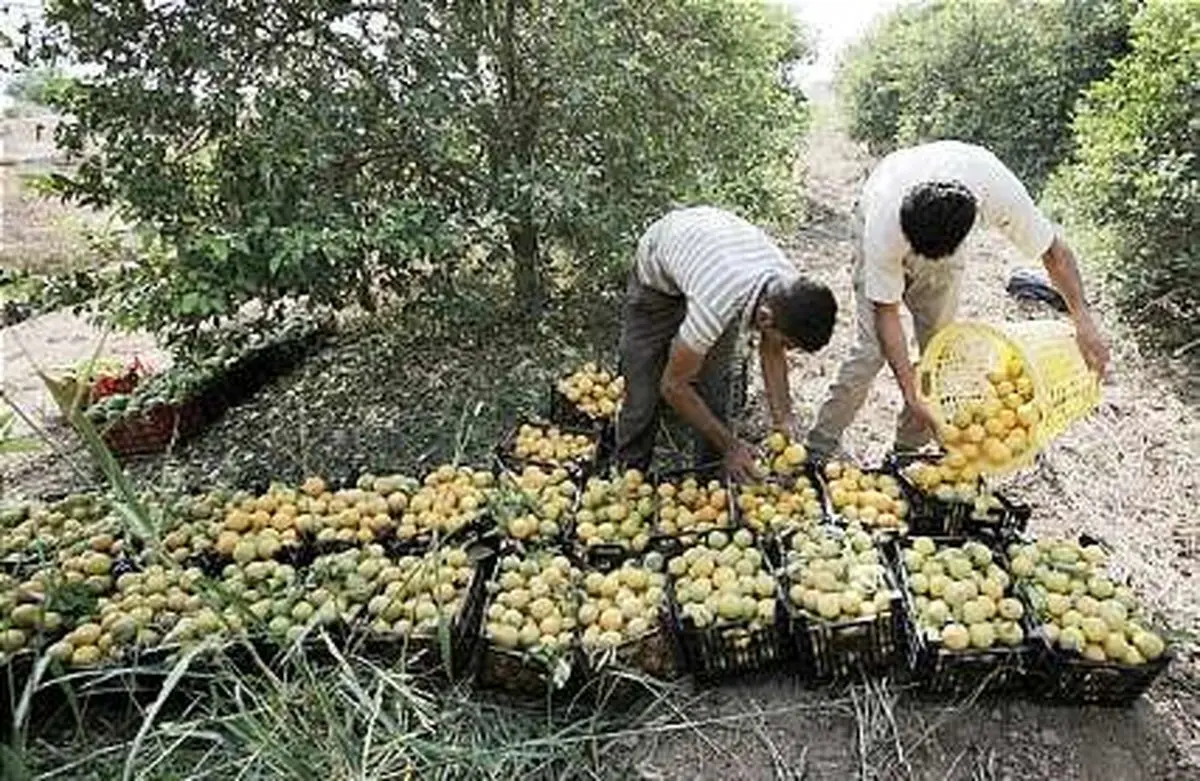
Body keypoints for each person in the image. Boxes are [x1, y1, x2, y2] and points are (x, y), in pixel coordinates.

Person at [806, 140, 1110, 459]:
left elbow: (1055, 253)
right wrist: (909, 391)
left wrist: (1083, 320)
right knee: (871, 351)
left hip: (942, 222)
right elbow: (887, 314)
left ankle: (908, 452)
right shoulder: (884, 222)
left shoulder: (997, 190)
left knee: (936, 354)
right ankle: (819, 447)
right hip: (880, 218)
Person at [616, 205, 837, 482]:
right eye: (789, 343)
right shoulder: (718, 303)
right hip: (659, 279)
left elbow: (772, 347)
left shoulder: (786, 285)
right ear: (766, 317)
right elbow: (673, 386)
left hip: (714, 263)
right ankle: (628, 475)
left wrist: (783, 420)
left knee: (716, 388)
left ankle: (710, 481)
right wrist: (732, 445)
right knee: (643, 392)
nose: (787, 350)